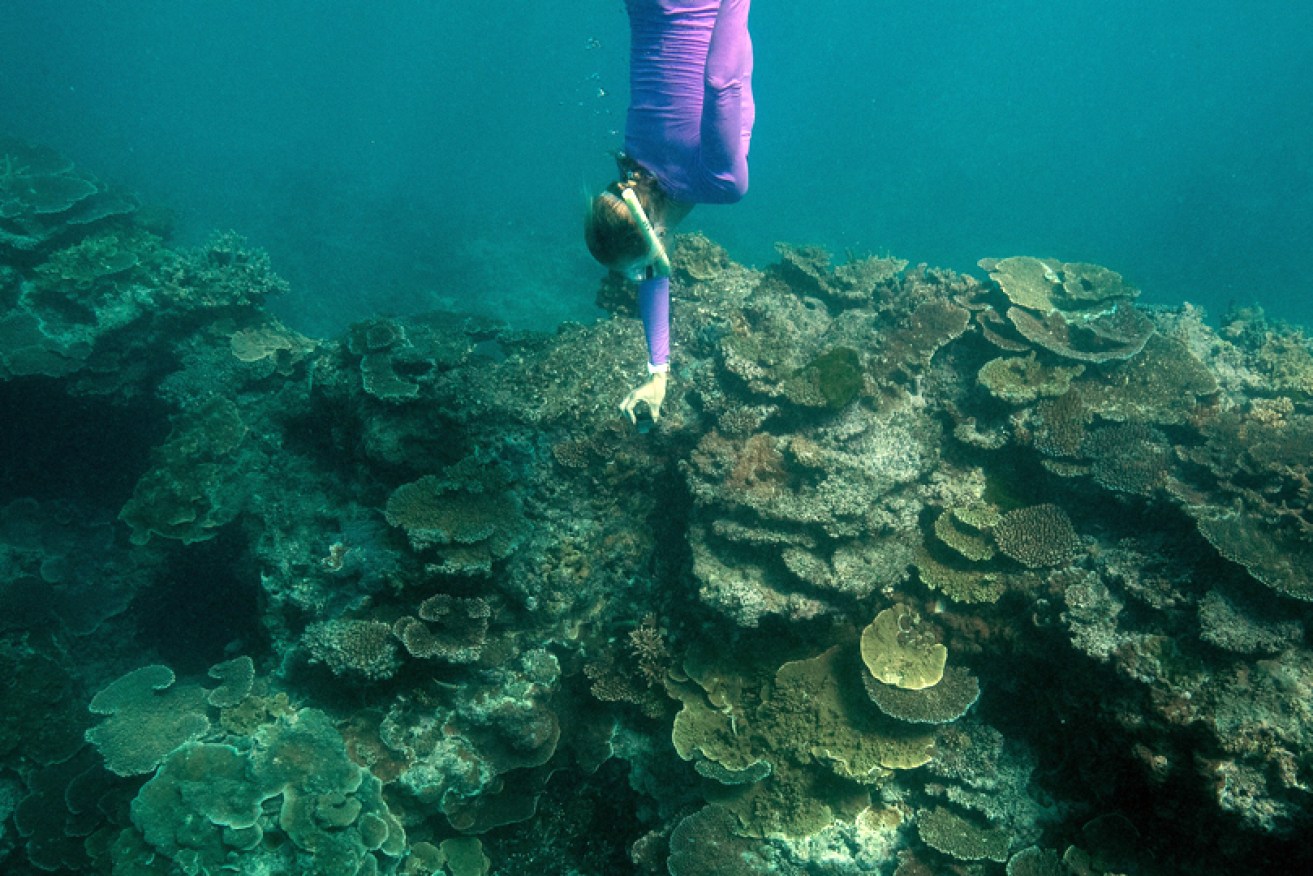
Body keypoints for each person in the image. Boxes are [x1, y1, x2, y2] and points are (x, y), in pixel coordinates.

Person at [584, 0, 754, 425]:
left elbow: (721, 81)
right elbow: (653, 272)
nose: (646, 277)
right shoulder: (634, 169)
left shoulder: (721, 184)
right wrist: (657, 371)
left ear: (656, 234)